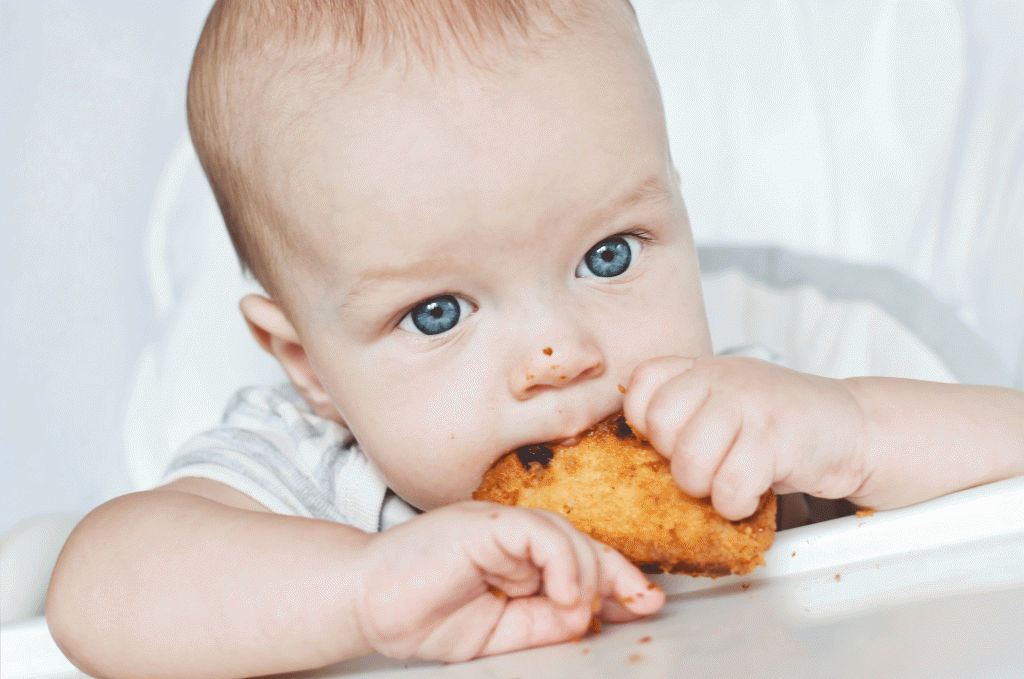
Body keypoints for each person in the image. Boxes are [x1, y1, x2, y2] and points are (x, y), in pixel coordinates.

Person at [46, 1, 1024, 677]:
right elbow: (95, 598)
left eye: (607, 255)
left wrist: (853, 429)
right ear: (311, 369)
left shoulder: (735, 431)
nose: (559, 353)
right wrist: (358, 591)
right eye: (437, 312)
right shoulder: (308, 481)